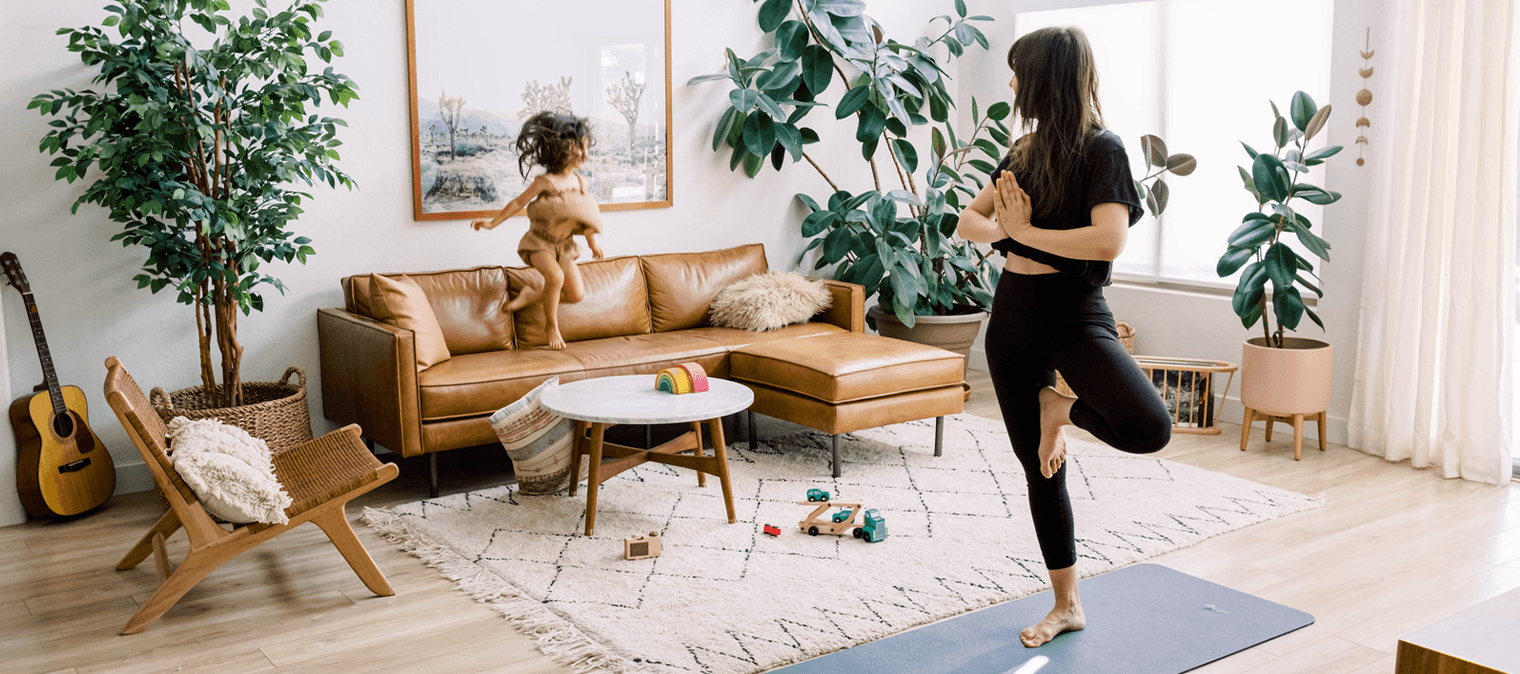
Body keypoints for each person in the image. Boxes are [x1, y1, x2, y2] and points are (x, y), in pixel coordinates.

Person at [955, 27, 1173, 649]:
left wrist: (1022, 236)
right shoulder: (1022, 151)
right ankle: (1067, 603)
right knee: (1040, 471)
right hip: (1013, 319)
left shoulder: (1103, 150)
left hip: (1076, 316)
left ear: (1044, 78)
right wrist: (1006, 232)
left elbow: (1107, 240)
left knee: (1146, 426)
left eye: (1018, 71)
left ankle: (1062, 408)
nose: (1012, 83)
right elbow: (970, 219)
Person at [472, 112, 604, 349]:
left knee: (577, 294)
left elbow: (585, 217)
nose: (584, 154)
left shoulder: (580, 183)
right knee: (555, 277)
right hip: (540, 243)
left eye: (586, 148)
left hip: (564, 246)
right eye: (578, 149)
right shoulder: (546, 182)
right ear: (562, 150)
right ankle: (551, 327)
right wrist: (492, 223)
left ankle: (533, 294)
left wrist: (592, 244)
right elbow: (517, 203)